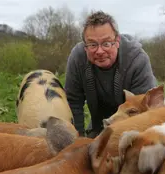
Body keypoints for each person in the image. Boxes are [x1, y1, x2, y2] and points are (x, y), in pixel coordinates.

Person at [64, 10, 157, 138]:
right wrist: (77, 140)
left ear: (117, 40)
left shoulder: (137, 60)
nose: (100, 51)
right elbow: (73, 102)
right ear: (85, 46)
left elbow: (146, 110)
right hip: (98, 124)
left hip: (133, 128)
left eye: (106, 43)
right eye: (92, 44)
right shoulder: (77, 58)